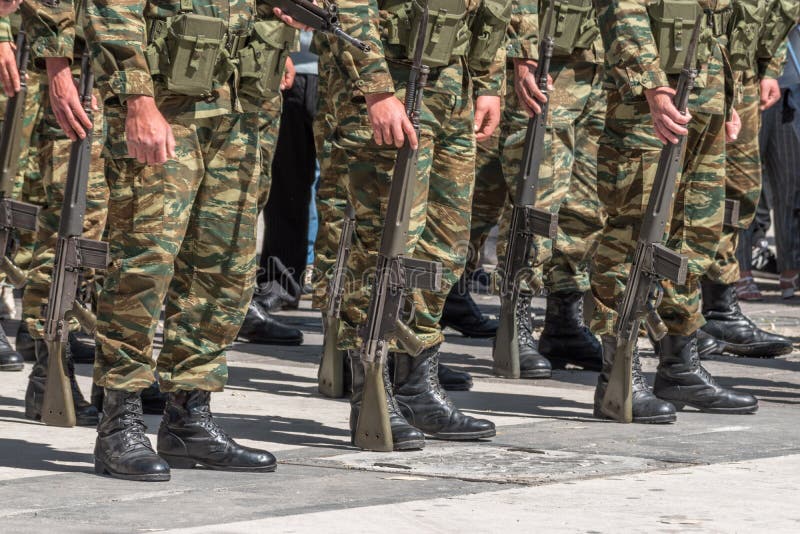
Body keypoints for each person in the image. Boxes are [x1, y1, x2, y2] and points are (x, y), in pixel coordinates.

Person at [24, 0, 304, 481]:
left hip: (243, 104)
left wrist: (281, 33)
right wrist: (138, 100)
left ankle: (189, 417)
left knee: (223, 267)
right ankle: (120, 423)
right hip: (166, 102)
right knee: (144, 265)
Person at [330, 0, 507, 449]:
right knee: (385, 243)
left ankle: (417, 385)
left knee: (443, 246)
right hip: (391, 82)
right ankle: (370, 390)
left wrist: (487, 80)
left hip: (451, 82)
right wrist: (375, 89)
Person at [592, 0, 757, 424]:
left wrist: (727, 95)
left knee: (694, 232)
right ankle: (620, 370)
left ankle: (680, 364)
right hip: (650, 101)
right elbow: (621, 6)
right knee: (634, 231)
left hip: (704, 98)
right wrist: (651, 85)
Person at [471, 0, 607, 378]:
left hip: (598, 60)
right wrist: (525, 52)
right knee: (536, 200)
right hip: (547, 63)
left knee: (586, 203)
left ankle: (564, 320)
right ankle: (516, 322)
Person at [697, 0, 798, 359]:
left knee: (740, 191)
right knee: (691, 192)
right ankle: (675, 315)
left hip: (746, 77)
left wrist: (769, 66)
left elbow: (778, 8)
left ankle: (721, 308)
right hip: (695, 71)